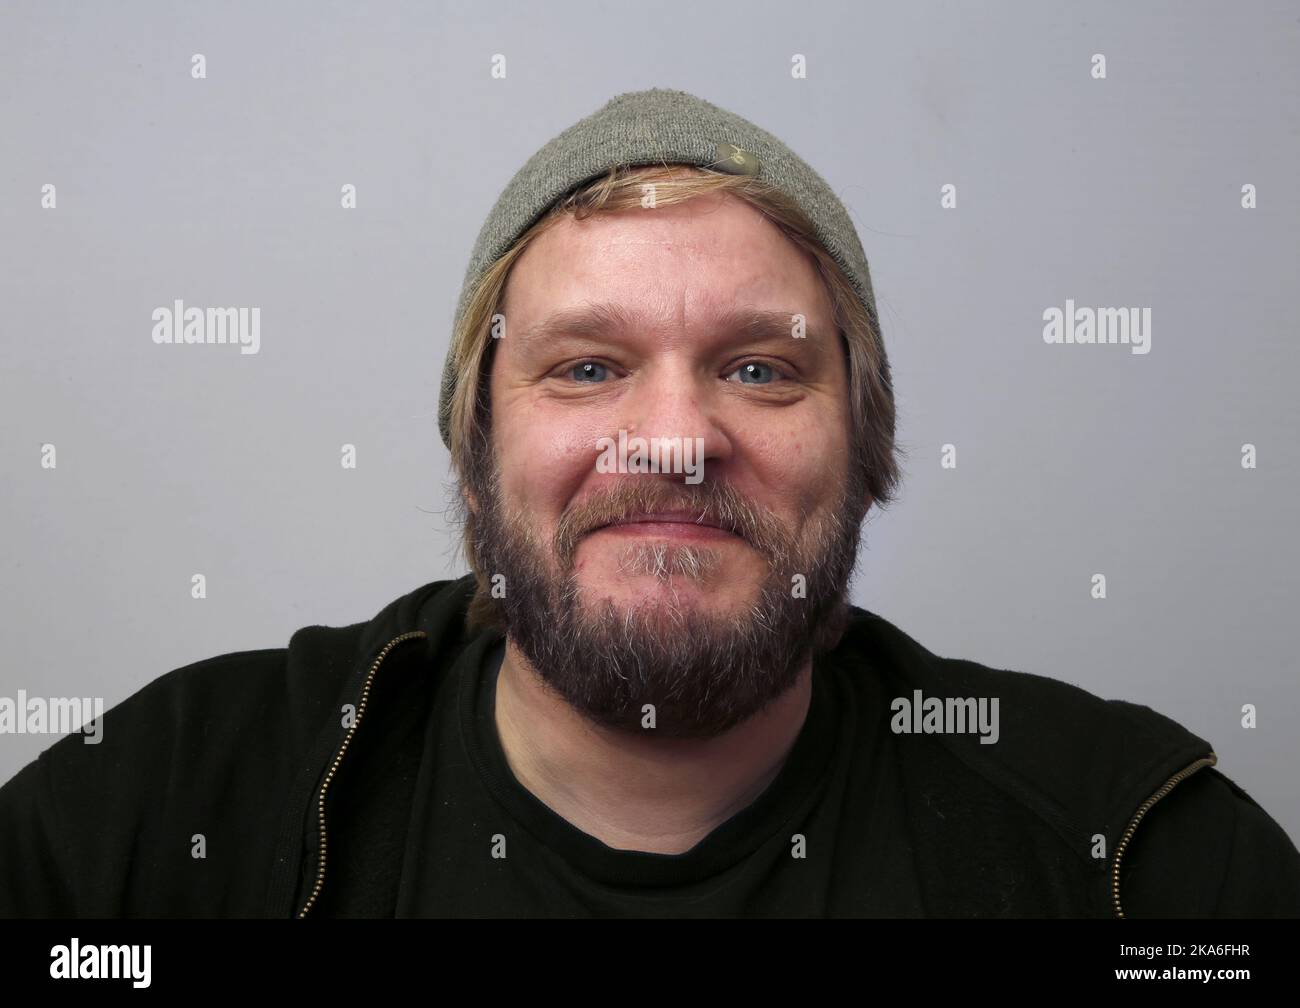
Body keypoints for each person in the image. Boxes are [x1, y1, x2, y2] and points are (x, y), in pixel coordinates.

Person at [2, 88, 1297, 918]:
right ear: (474, 445)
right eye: (586, 366)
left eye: (758, 367)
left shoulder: (1136, 863)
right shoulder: (161, 814)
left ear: (866, 444)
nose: (676, 439)